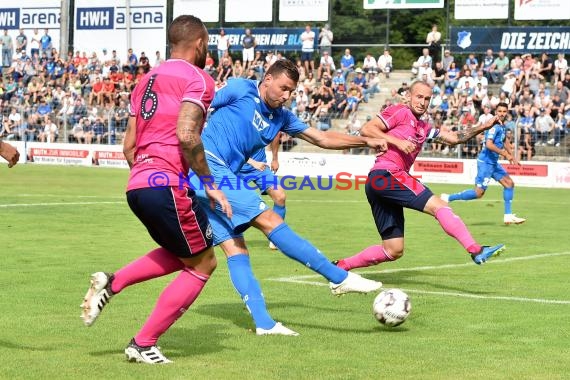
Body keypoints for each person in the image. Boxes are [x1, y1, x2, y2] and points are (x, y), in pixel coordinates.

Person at [189, 59, 385, 336]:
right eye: (283, 88)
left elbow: (322, 139)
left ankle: (264, 324)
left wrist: (364, 141)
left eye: (291, 91)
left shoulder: (281, 117)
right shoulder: (239, 88)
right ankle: (338, 278)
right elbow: (194, 107)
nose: (287, 96)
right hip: (207, 166)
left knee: (236, 249)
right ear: (267, 79)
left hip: (219, 176)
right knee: (268, 219)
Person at [79, 15, 232, 365]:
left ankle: (112, 282)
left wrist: (150, 177)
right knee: (204, 263)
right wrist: (209, 185)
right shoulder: (198, 79)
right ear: (200, 43)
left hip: (138, 185)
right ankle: (143, 343)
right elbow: (187, 135)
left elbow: (129, 147)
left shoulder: (145, 79)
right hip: (166, 184)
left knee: (184, 252)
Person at [332, 81, 505, 273]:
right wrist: (398, 142)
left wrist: (484, 126)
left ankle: (341, 266)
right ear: (409, 96)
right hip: (388, 174)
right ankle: (476, 249)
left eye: (427, 99)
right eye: (419, 97)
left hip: (379, 183)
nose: (422, 102)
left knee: (393, 249)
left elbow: (456, 138)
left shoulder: (423, 128)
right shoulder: (400, 111)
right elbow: (367, 129)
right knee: (439, 206)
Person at [441, 103, 526, 225]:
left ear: (507, 112)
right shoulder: (493, 126)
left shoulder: (502, 126)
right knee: (478, 193)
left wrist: (511, 155)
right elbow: (489, 144)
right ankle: (448, 198)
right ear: (496, 112)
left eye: (504, 111)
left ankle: (508, 216)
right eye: (500, 111)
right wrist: (504, 154)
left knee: (509, 184)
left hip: (493, 162)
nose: (502, 113)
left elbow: (505, 140)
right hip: (486, 163)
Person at [238, 136, 284, 250]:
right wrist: (252, 162)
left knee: (280, 197)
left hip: (260, 167)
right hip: (236, 167)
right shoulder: (232, 120)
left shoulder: (265, 119)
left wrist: (275, 158)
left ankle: (276, 238)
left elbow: (276, 134)